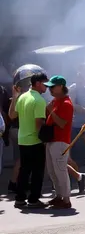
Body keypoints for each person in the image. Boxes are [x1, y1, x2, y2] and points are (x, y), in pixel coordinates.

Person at [9, 73, 49, 209]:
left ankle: (20, 198)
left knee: (24, 170)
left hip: (23, 140)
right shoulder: (39, 100)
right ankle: (33, 199)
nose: (47, 87)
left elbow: (12, 115)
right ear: (37, 83)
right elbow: (39, 123)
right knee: (38, 172)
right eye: (45, 84)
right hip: (35, 140)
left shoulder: (23, 97)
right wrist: (44, 141)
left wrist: (14, 97)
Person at [44, 75, 75, 209]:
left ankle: (66, 199)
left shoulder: (66, 104)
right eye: (49, 87)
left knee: (60, 170)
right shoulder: (56, 102)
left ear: (61, 87)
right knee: (52, 170)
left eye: (53, 86)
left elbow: (62, 123)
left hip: (61, 141)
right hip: (52, 140)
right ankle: (58, 196)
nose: (49, 89)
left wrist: (51, 111)